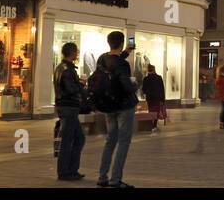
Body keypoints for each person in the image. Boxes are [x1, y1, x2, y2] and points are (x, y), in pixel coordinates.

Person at [95, 31, 138, 188]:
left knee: (110, 140)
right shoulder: (123, 64)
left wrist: (126, 52)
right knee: (124, 141)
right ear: (121, 43)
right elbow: (126, 85)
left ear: (108, 42)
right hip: (123, 106)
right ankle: (115, 179)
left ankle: (102, 177)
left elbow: (113, 66)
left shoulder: (102, 59)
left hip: (108, 105)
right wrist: (135, 84)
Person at [53, 41, 86, 180]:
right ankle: (64, 172)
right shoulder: (66, 69)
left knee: (78, 138)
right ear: (72, 52)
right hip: (68, 107)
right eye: (76, 51)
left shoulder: (61, 68)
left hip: (66, 107)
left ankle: (71, 169)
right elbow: (70, 89)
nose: (77, 53)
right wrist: (81, 85)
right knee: (68, 140)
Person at [141, 64, 166, 132]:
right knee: (156, 111)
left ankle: (151, 124)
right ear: (154, 69)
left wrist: (147, 93)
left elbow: (143, 89)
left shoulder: (146, 79)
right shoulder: (159, 78)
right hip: (157, 98)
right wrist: (163, 99)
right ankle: (154, 125)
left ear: (148, 70)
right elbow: (162, 89)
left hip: (150, 98)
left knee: (151, 111)